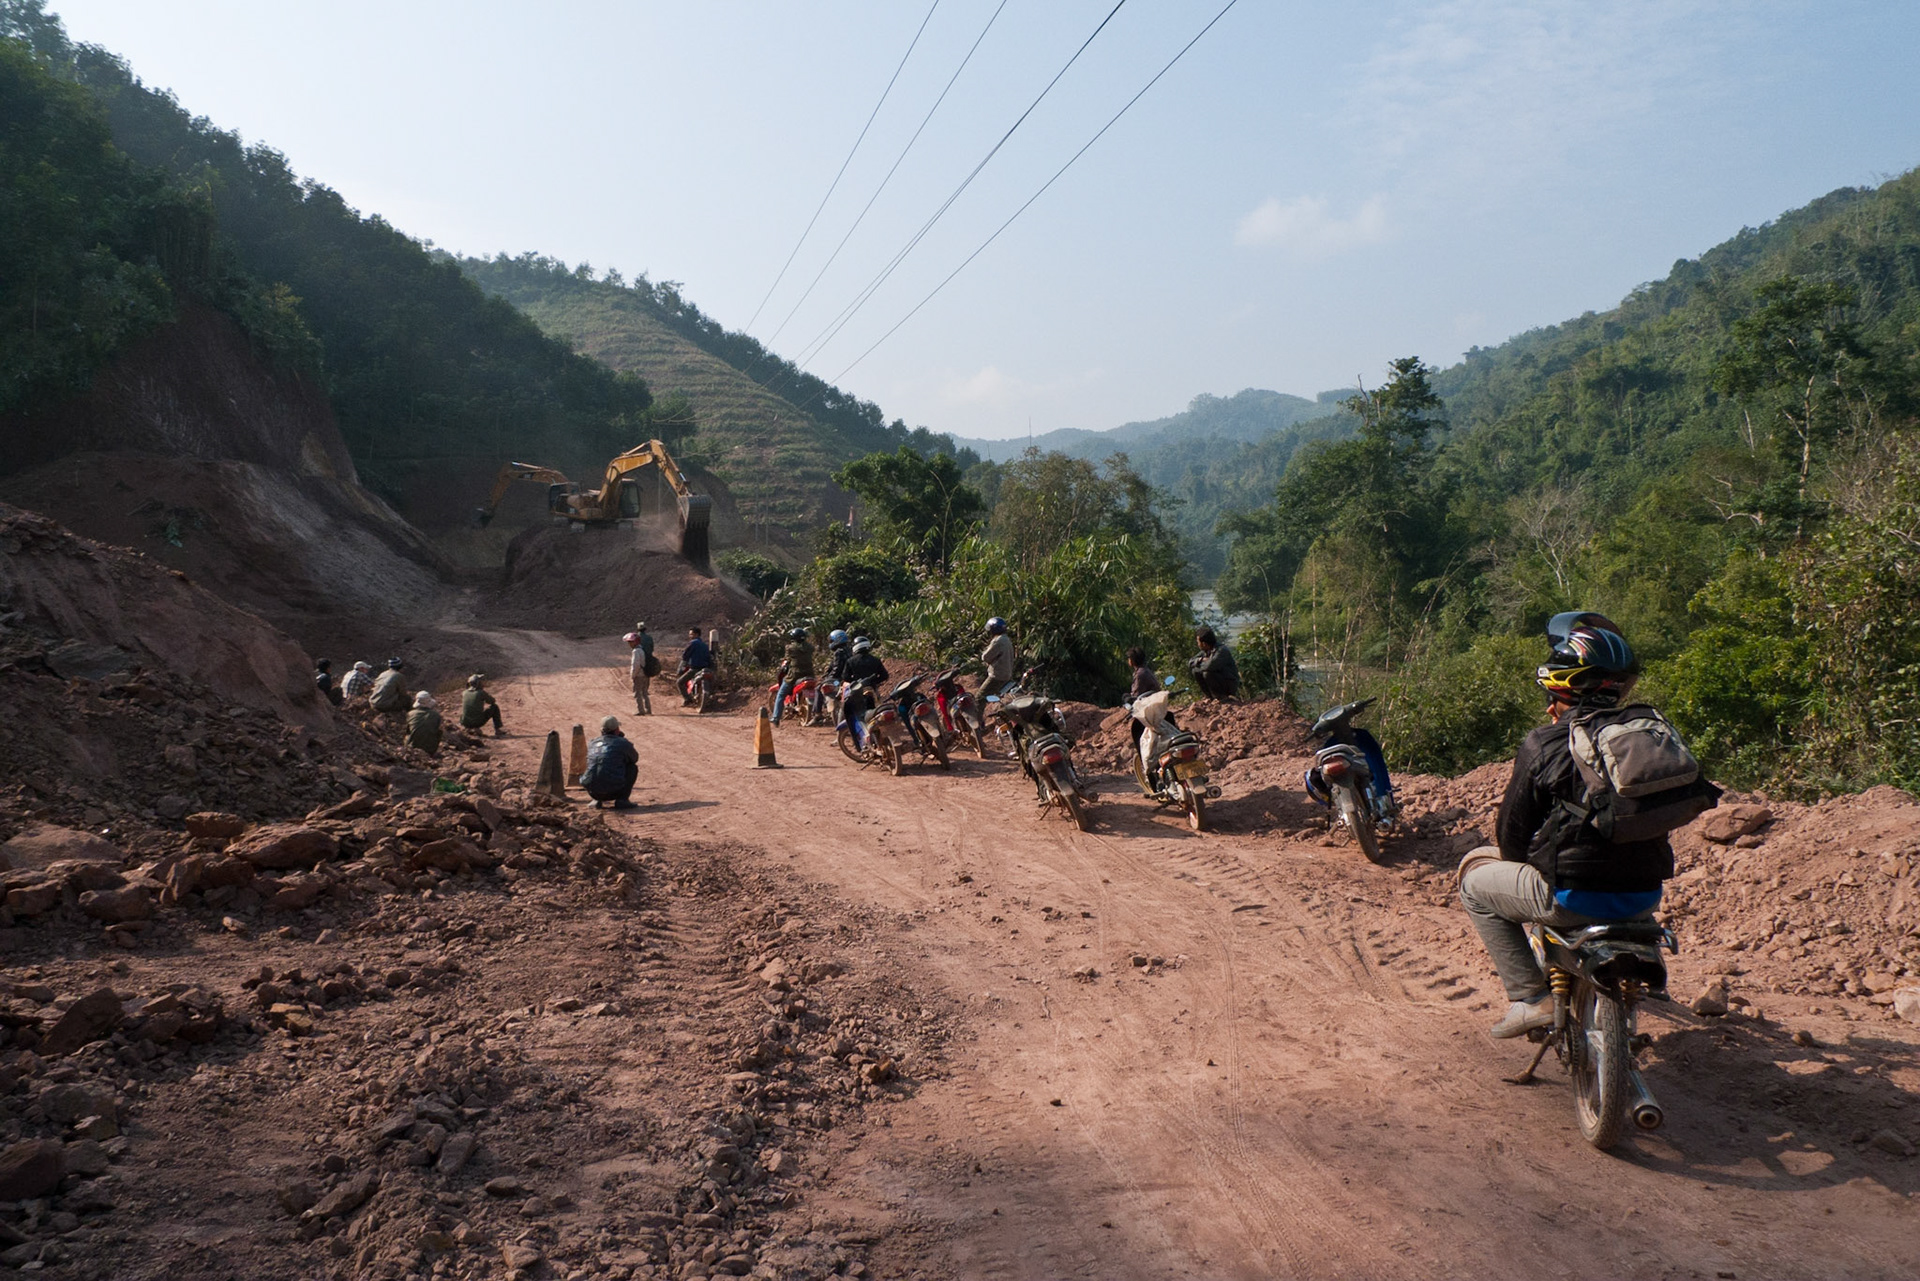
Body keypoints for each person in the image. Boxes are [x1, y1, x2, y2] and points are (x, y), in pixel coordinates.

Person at [1457, 612, 1668, 1039]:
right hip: (1646, 895)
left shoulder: (1545, 742)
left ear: (1559, 686)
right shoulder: (1649, 733)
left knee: (1474, 888)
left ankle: (1531, 998)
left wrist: (1531, 860)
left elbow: (1512, 836)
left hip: (1572, 898)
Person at [837, 637, 889, 748]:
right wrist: (874, 682)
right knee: (876, 713)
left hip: (857, 694)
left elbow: (845, 677)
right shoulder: (875, 660)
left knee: (854, 714)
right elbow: (885, 676)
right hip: (873, 691)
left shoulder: (851, 661)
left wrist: (855, 683)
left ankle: (862, 739)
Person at [581, 715, 639, 810]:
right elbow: (634, 758)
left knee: (594, 763)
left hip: (593, 791)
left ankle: (596, 800)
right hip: (615, 790)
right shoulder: (622, 743)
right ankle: (622, 800)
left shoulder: (592, 743)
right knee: (632, 767)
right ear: (617, 730)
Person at [771, 627, 814, 726]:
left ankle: (776, 717)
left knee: (781, 694)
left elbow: (787, 660)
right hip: (809, 674)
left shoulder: (790, 648)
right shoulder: (810, 647)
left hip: (794, 675)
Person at [1189, 628, 1240, 701]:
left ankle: (1222, 697)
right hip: (1220, 680)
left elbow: (1209, 666)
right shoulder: (1206, 651)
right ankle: (1210, 697)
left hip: (1229, 683)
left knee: (1207, 673)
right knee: (1195, 671)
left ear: (1204, 643)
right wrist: (1200, 660)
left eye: (1198, 642)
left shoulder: (1221, 651)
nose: (1198, 644)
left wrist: (1199, 665)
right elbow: (1190, 662)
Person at [813, 628, 852, 721]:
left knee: (818, 688)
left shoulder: (838, 652)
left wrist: (829, 677)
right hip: (849, 678)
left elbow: (837, 668)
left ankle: (817, 713)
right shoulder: (850, 650)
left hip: (837, 680)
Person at [979, 617, 1015, 702]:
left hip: (997, 675)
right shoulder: (1006, 639)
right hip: (1007, 674)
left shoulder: (998, 641)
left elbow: (985, 657)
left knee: (979, 698)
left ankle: (977, 715)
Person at [677, 627, 714, 704]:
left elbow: (685, 655)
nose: (690, 636)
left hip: (695, 668)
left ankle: (687, 699)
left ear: (696, 634)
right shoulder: (705, 645)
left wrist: (683, 665)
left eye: (691, 634)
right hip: (706, 668)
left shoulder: (693, 643)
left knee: (679, 682)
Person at [627, 621, 656, 715]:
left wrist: (632, 675)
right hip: (647, 670)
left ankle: (640, 710)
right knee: (645, 692)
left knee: (637, 693)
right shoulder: (648, 640)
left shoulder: (636, 651)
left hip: (639, 674)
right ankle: (648, 710)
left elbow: (635, 665)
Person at [405, 690, 443, 754]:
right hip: (430, 749)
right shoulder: (436, 715)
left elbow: (408, 730)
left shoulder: (410, 714)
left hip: (412, 748)